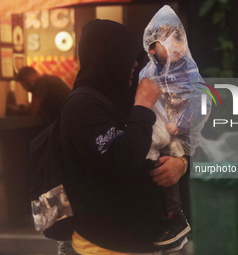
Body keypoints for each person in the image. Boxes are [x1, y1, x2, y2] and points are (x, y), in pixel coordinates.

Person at [59, 19, 188, 255]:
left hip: (141, 240)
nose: (135, 64)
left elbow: (163, 142)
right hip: (102, 245)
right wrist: (143, 107)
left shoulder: (123, 99)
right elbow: (126, 158)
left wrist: (181, 164)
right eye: (128, 56)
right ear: (108, 58)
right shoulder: (82, 107)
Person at [139, 5, 211, 249]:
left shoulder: (188, 72)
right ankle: (170, 220)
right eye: (165, 39)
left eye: (178, 37)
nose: (174, 44)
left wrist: (179, 125)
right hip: (154, 137)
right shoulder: (146, 73)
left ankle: (175, 219)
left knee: (168, 182)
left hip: (175, 141)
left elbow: (202, 102)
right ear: (151, 47)